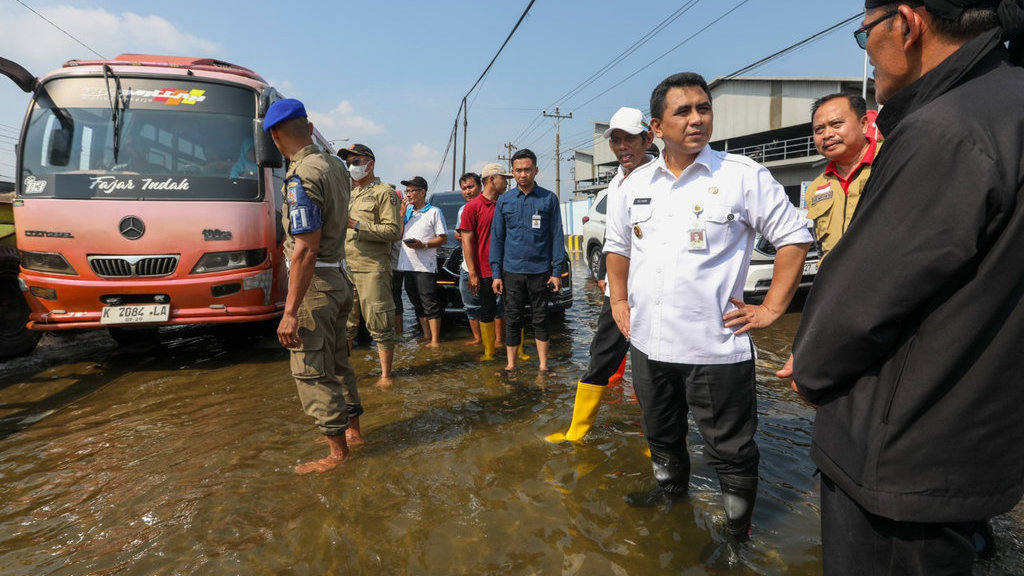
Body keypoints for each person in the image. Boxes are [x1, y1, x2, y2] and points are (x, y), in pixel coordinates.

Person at [780, 2, 1024, 573]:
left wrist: (811, 367)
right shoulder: (1006, 106)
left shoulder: (945, 130)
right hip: (974, 427)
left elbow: (864, 297)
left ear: (908, 24)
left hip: (898, 448)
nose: (868, 53)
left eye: (864, 33)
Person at [604, 72, 811, 541]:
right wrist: (618, 299)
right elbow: (617, 248)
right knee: (660, 434)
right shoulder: (636, 184)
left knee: (730, 449)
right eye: (683, 111)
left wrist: (771, 309)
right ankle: (671, 497)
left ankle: (737, 535)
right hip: (649, 345)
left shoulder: (741, 175)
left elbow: (794, 237)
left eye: (704, 108)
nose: (697, 119)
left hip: (715, 348)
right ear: (657, 127)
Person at [546, 107, 655, 443]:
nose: (623, 146)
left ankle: (657, 443)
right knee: (601, 356)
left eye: (630, 138)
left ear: (647, 139)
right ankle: (577, 432)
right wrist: (607, 275)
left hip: (653, 293)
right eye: (616, 140)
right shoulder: (616, 182)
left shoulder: (662, 177)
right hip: (617, 294)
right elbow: (615, 239)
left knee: (653, 371)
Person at [263, 98, 357, 474]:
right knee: (339, 362)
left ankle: (337, 454)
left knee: (312, 368)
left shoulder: (302, 175)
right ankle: (352, 432)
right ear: (310, 127)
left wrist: (289, 312)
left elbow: (305, 248)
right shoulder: (335, 166)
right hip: (339, 277)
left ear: (274, 136)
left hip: (315, 284)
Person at [490, 149, 565, 376]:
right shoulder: (504, 201)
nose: (523, 174)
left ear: (536, 170)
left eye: (527, 170)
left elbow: (556, 236)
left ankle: (543, 366)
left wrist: (556, 272)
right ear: (512, 172)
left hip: (540, 271)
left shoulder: (548, 199)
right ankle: (511, 366)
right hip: (511, 270)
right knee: (512, 318)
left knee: (541, 318)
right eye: (518, 170)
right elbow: (497, 238)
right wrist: (496, 274)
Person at [338, 143, 402, 387]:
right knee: (345, 324)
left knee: (380, 323)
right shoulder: (351, 194)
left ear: (370, 164)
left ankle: (386, 376)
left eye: (356, 162)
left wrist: (356, 225)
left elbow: (393, 231)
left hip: (373, 268)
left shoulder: (384, 193)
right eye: (348, 163)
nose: (351, 167)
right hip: (347, 267)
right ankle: (345, 373)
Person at [805, 93, 878, 260]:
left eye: (836, 124)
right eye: (819, 129)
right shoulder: (815, 188)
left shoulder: (891, 160)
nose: (827, 134)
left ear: (863, 124)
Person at [459, 163, 512, 361]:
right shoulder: (472, 207)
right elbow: (466, 242)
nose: (506, 183)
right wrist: (472, 273)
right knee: (487, 310)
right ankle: (489, 352)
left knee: (513, 309)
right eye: (503, 178)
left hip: (509, 267)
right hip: (484, 269)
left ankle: (516, 350)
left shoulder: (506, 203)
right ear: (492, 179)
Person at [397, 176, 447, 347]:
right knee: (416, 303)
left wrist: (423, 244)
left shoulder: (434, 212)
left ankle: (435, 340)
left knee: (429, 302)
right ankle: (426, 336)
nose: (408, 194)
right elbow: (398, 235)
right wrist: (401, 215)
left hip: (425, 266)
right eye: (407, 191)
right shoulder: (407, 212)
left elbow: (442, 238)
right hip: (407, 264)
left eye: (412, 190)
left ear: (423, 192)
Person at [455, 173, 486, 346]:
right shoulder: (463, 210)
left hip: (487, 265)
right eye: (464, 188)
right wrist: (461, 235)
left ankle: (498, 341)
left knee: (496, 305)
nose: (467, 191)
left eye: (471, 187)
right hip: (467, 265)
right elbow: (459, 232)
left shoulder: (491, 206)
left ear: (480, 187)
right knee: (470, 304)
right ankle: (477, 338)